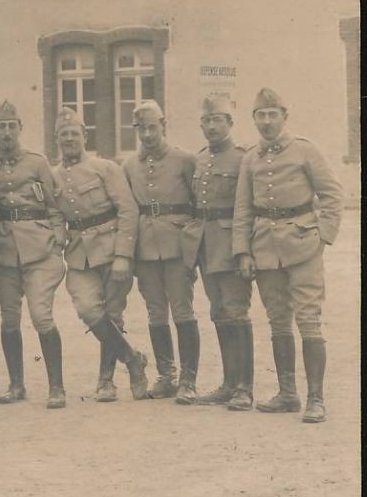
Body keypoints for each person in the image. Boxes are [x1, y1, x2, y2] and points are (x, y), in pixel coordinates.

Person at [233, 87, 344, 423]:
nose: (266, 121)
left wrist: (322, 236)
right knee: (278, 319)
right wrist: (242, 251)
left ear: (284, 116)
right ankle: (287, 394)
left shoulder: (305, 151)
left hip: (303, 246)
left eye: (272, 114)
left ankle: (316, 399)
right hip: (265, 248)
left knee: (308, 318)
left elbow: (332, 195)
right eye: (260, 115)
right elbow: (243, 209)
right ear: (254, 119)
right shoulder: (250, 158)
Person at [50, 107, 150, 402]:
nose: (69, 139)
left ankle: (106, 381)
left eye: (74, 134)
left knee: (113, 315)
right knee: (88, 310)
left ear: (85, 135)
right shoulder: (52, 176)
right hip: (79, 253)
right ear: (56, 139)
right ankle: (133, 359)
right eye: (63, 135)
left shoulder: (105, 168)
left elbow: (128, 210)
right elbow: (55, 214)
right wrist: (57, 235)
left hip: (111, 248)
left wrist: (123, 255)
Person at [0, 100, 68, 409]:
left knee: (42, 316)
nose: (6, 132)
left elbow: (55, 205)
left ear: (20, 128)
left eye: (11, 126)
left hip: (39, 248)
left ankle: (57, 387)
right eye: (0, 126)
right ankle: (16, 385)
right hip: (4, 252)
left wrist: (57, 240)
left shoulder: (37, 163)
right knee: (8, 319)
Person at [120, 99, 202, 402]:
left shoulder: (184, 160)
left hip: (177, 246)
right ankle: (167, 376)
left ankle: (188, 381)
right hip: (145, 249)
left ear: (163, 125)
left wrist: (191, 245)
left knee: (183, 310)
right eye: (142, 129)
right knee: (155, 312)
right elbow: (127, 210)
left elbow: (198, 207)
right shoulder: (128, 165)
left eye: (153, 127)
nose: (148, 134)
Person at [183, 94, 256, 410]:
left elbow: (248, 207)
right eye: (206, 121)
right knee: (218, 312)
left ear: (230, 123)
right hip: (206, 247)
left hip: (231, 245)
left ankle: (244, 387)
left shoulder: (243, 158)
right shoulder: (199, 159)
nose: (211, 126)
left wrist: (244, 250)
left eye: (218, 120)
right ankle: (228, 384)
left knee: (237, 310)